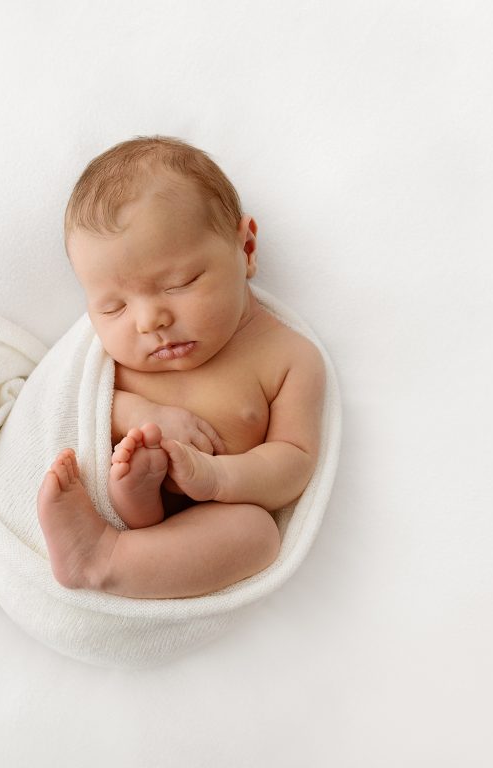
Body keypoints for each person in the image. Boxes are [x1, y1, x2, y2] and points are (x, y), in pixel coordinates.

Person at [36, 136, 325, 599]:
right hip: (111, 479)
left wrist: (216, 478)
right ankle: (130, 502)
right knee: (127, 467)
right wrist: (138, 414)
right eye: (112, 308)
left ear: (246, 248)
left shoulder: (289, 358)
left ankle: (105, 557)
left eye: (180, 283)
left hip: (210, 510)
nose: (150, 320)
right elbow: (68, 399)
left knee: (257, 535)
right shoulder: (108, 360)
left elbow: (294, 462)